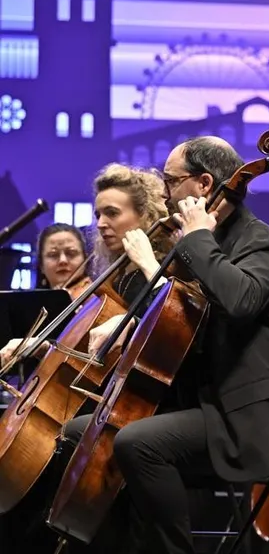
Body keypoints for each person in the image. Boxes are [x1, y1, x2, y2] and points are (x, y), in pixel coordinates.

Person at [55, 137, 269, 553]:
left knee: (137, 444)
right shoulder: (193, 243)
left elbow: (238, 302)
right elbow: (183, 320)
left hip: (253, 416)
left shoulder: (261, 243)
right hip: (204, 402)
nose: (164, 193)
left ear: (203, 184)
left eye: (171, 180)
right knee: (80, 434)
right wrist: (128, 325)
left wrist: (197, 237)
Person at [0, 164, 175, 552]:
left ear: (145, 216)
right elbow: (89, 351)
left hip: (141, 408)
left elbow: (158, 333)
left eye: (112, 213)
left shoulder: (151, 271)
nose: (101, 223)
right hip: (106, 402)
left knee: (53, 457)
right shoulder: (118, 276)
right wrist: (40, 346)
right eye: (98, 214)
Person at [34, 223, 89, 293]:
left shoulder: (96, 296)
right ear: (41, 265)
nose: (63, 260)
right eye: (53, 255)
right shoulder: (32, 300)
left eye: (71, 253)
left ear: (84, 258)